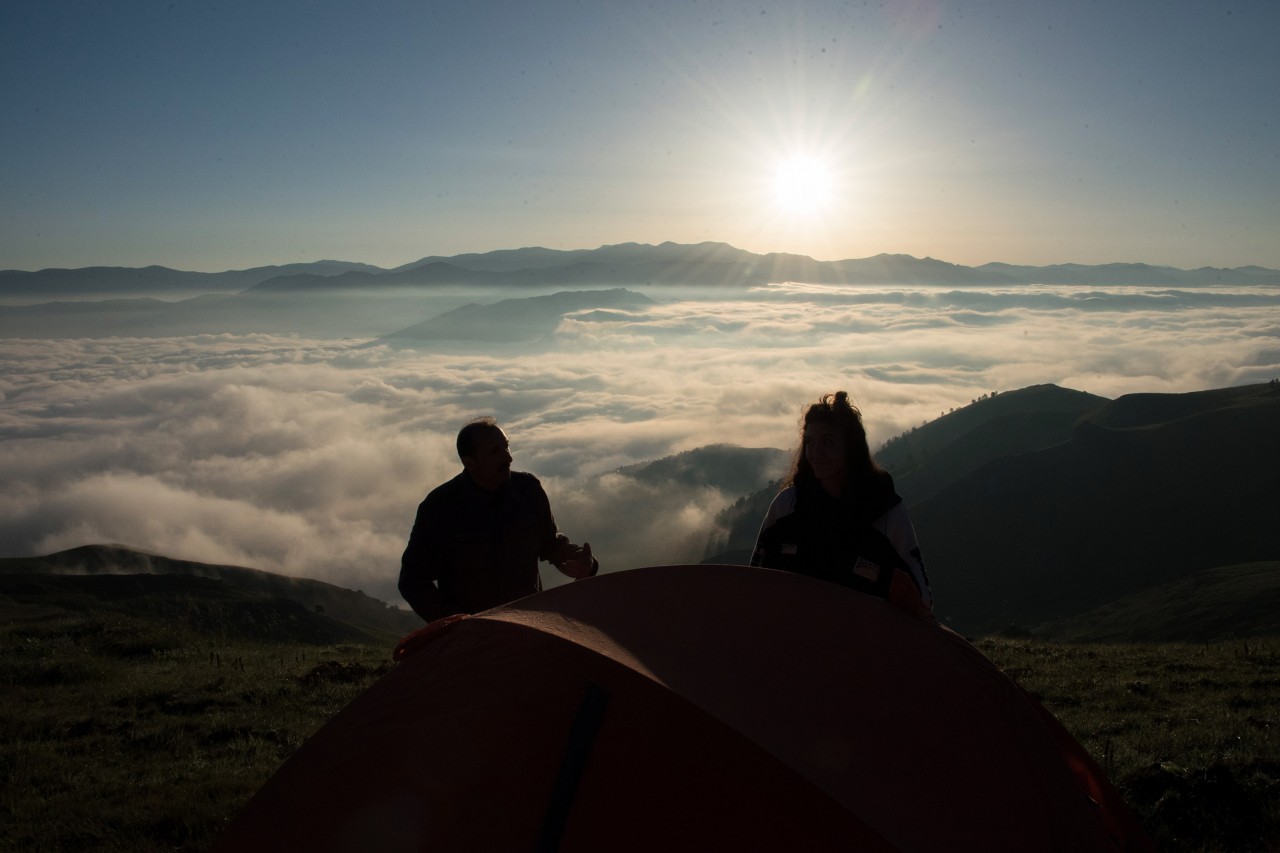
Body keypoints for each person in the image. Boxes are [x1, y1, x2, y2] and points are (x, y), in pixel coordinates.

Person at [750, 391, 933, 615]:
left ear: (851, 446)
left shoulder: (886, 512)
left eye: (828, 442)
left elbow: (922, 599)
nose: (816, 453)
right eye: (809, 442)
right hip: (794, 640)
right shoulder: (787, 506)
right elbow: (755, 579)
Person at [399, 417, 597, 622]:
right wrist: (455, 622)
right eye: (495, 451)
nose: (508, 458)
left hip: (528, 628)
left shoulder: (528, 491)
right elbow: (412, 580)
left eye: (506, 447)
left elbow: (549, 542)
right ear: (470, 463)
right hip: (472, 640)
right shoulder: (439, 508)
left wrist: (580, 560)